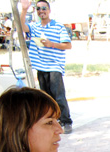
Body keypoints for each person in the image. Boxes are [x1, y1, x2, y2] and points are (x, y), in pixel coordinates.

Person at [20, 0, 73, 134]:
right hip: (41, 66)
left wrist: (51, 44)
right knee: (46, 96)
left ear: (49, 10)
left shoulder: (58, 27)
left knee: (58, 96)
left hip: (54, 66)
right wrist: (24, 9)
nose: (41, 11)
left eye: (44, 8)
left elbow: (68, 45)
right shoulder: (35, 27)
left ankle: (66, 121)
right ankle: (52, 121)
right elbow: (21, 27)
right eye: (38, 9)